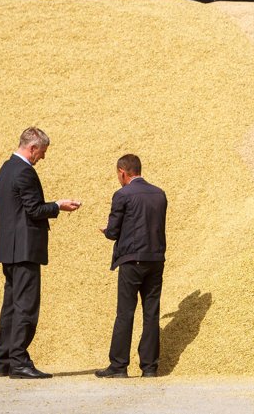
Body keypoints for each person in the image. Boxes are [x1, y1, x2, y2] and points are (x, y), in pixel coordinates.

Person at [0, 127, 81, 379]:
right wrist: (58, 205)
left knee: (11, 306)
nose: (42, 157)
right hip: (25, 250)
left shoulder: (6, 168)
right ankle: (19, 361)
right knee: (25, 307)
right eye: (41, 152)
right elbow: (34, 209)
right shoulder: (24, 172)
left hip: (9, 250)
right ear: (32, 148)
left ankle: (5, 360)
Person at [96, 154, 167, 378]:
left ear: (122, 172)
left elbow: (114, 232)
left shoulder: (122, 194)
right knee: (151, 313)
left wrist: (106, 231)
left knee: (125, 313)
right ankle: (149, 367)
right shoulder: (159, 194)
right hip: (155, 259)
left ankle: (118, 366)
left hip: (131, 260)